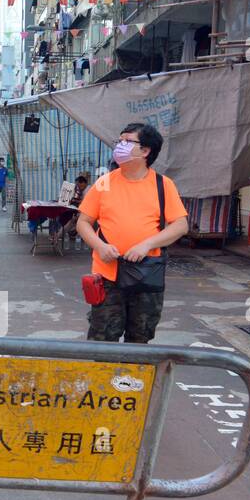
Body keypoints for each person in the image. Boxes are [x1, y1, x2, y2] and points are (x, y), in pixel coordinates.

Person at [76, 123, 188, 343]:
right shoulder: (105, 183)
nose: (120, 146)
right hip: (107, 274)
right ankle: (104, 377)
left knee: (140, 336)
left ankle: (131, 378)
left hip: (146, 274)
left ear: (146, 151)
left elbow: (180, 225)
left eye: (127, 141)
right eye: (119, 141)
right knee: (103, 335)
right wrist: (100, 246)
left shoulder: (162, 185)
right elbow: (83, 222)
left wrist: (146, 245)